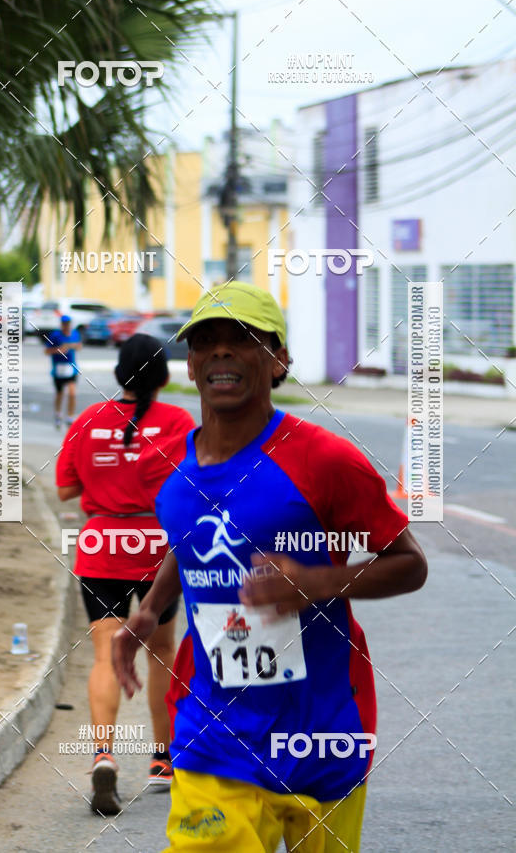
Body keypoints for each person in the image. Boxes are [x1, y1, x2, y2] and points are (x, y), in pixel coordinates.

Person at [112, 281, 427, 853]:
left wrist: (317, 583)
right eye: (205, 341)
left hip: (323, 727)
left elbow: (409, 564)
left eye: (244, 339)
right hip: (214, 727)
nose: (221, 352)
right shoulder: (178, 466)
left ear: (280, 359)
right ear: (191, 362)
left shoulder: (325, 460)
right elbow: (191, 541)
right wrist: (151, 610)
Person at [56, 334, 195, 816]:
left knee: (104, 653)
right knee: (161, 651)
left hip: (100, 546)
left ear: (119, 373)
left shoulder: (87, 420)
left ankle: (103, 756)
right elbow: (193, 489)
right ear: (163, 375)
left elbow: (66, 490)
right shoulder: (178, 422)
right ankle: (162, 759)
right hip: (158, 548)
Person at [45, 315, 82, 429]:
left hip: (71, 367)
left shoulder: (75, 334)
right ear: (61, 324)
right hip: (59, 368)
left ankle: (70, 417)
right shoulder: (55, 335)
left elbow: (79, 346)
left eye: (68, 323)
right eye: (64, 324)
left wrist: (73, 346)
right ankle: (58, 414)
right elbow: (47, 351)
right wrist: (59, 350)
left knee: (72, 393)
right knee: (60, 393)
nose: (66, 326)